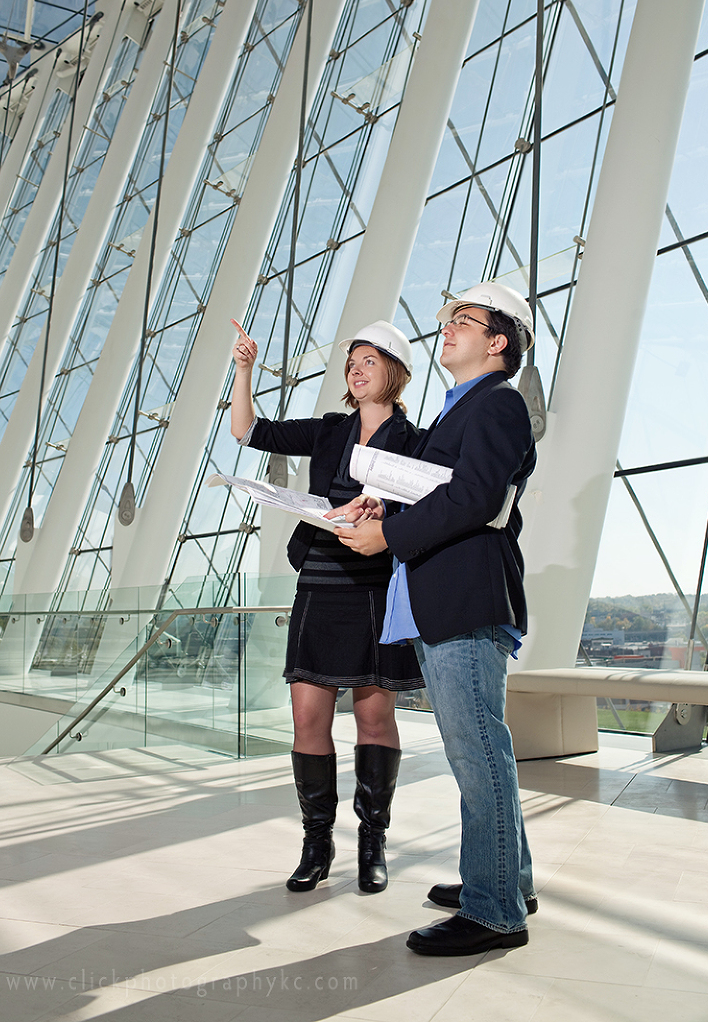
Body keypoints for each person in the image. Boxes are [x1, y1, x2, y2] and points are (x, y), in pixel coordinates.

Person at [335, 282, 537, 956]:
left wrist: (390, 536)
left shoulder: (498, 402)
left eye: (464, 321)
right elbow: (442, 492)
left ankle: (495, 912)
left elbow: (476, 497)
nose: (447, 328)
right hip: (444, 597)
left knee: (477, 755)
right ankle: (507, 881)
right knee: (481, 752)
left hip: (465, 600)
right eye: (448, 318)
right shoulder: (460, 409)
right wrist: (384, 508)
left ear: (498, 341)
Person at [230, 318, 423, 895]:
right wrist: (244, 369)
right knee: (307, 719)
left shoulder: (414, 440)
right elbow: (248, 431)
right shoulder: (331, 429)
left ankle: (372, 841)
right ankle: (317, 842)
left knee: (374, 719)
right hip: (320, 579)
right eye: (351, 363)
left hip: (376, 586)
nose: (356, 371)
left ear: (394, 371)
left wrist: (385, 513)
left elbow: (429, 503)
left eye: (369, 361)